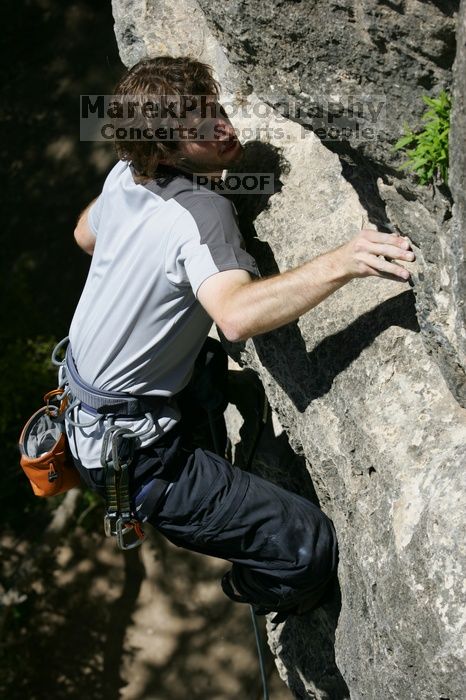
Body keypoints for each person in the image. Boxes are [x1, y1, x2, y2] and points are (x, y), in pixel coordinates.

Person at [67, 55, 415, 620]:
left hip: (95, 411)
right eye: (198, 129)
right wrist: (344, 260)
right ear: (166, 151)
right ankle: (245, 588)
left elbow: (85, 235)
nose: (223, 128)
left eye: (215, 111)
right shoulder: (202, 212)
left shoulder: (124, 177)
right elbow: (234, 316)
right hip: (145, 460)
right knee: (305, 551)